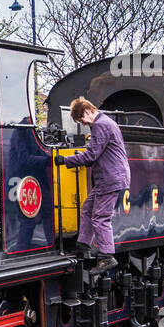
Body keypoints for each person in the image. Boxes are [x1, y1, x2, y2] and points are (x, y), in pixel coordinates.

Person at [61, 97, 130, 273]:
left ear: (87, 111)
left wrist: (65, 160)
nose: (83, 123)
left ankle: (107, 256)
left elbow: (91, 156)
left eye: (81, 119)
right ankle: (83, 244)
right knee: (87, 208)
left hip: (110, 177)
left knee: (100, 217)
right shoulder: (105, 122)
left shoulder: (101, 125)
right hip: (107, 177)